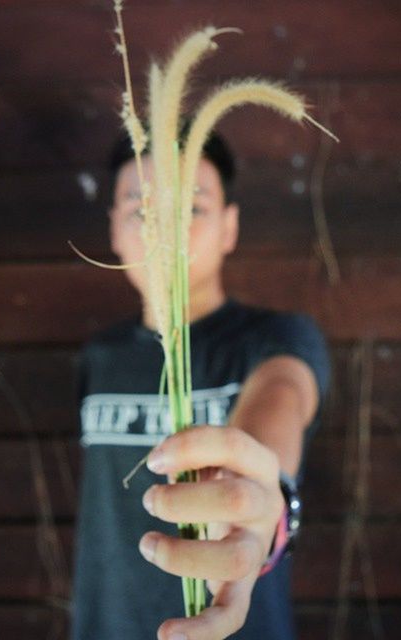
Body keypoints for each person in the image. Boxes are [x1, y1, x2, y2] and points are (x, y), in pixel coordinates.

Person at [70, 125, 332, 640]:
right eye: (141, 210)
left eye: (191, 208)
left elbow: (279, 396)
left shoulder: (276, 339)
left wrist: (258, 495)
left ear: (229, 227)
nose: (164, 229)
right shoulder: (99, 358)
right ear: (115, 231)